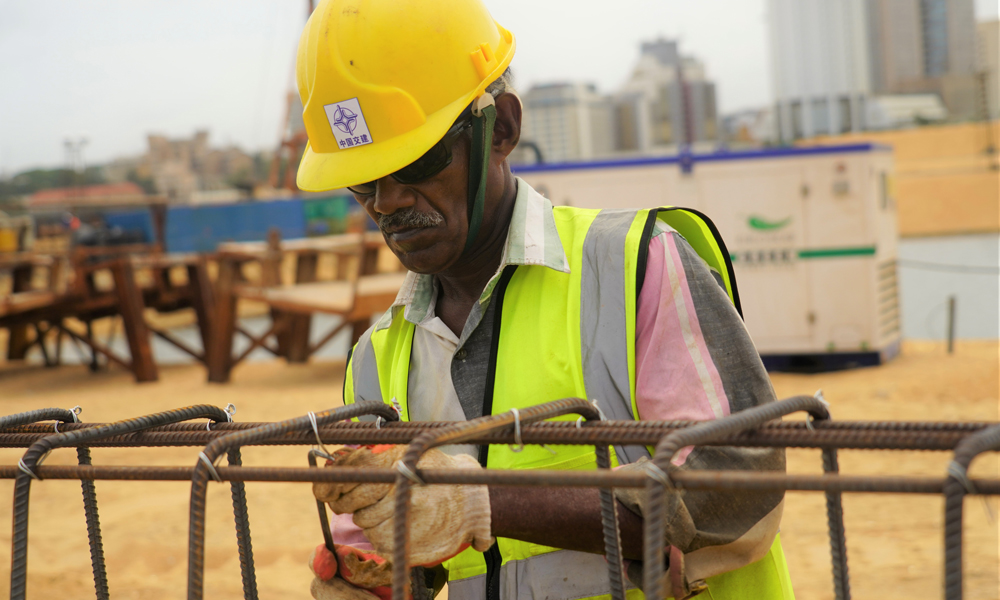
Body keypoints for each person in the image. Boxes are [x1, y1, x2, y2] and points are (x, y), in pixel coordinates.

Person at [295, 1, 793, 598]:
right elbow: (391, 543)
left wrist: (482, 502)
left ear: (502, 129)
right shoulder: (377, 360)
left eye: (417, 161)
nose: (387, 201)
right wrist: (374, 579)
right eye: (363, 178)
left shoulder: (634, 267)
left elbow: (733, 483)